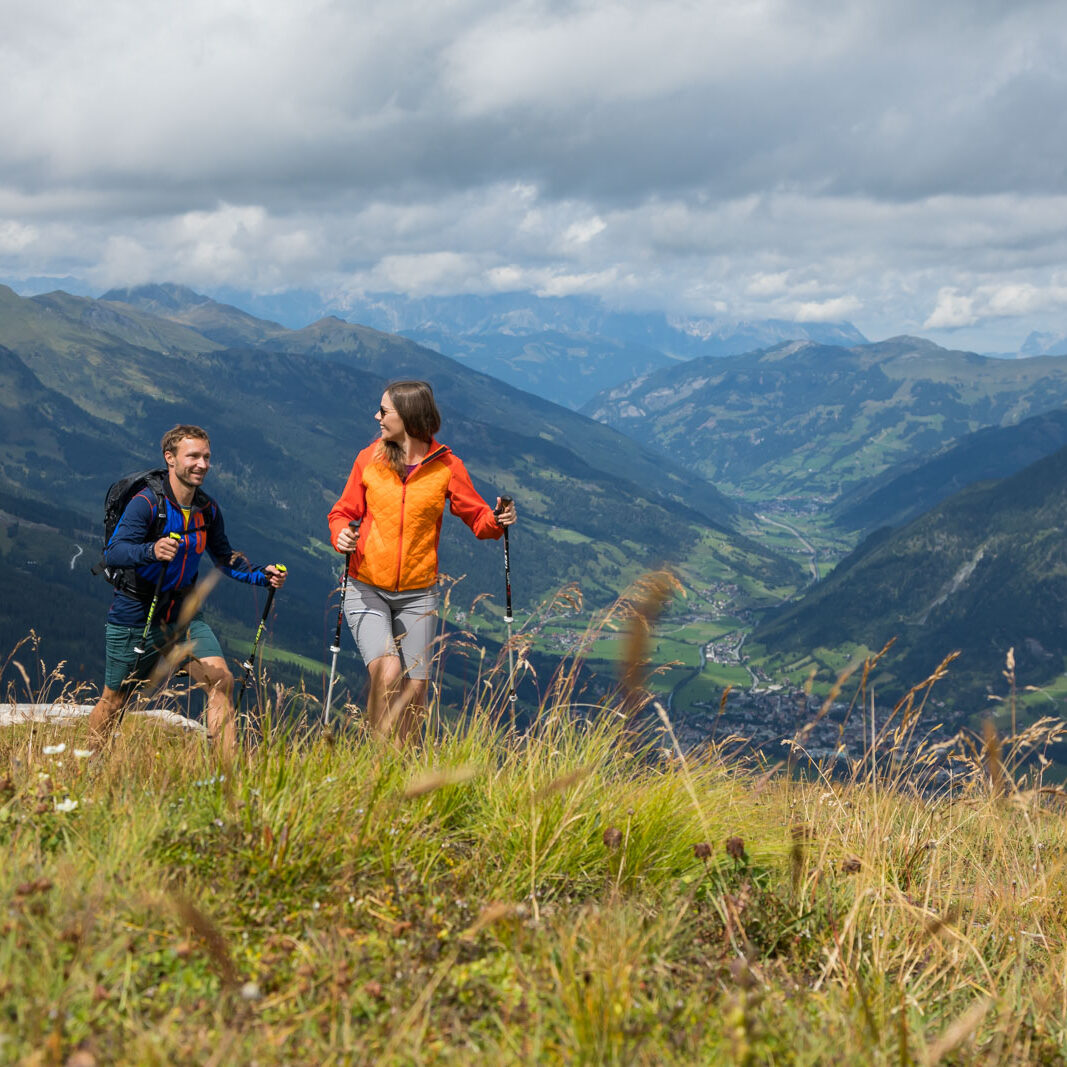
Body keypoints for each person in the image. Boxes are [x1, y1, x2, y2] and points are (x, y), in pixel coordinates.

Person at [327, 380, 517, 744]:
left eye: (384, 411)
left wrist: (498, 520)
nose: (376, 417)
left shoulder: (446, 466)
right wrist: (341, 535)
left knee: (416, 691)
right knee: (387, 672)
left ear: (409, 416)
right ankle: (378, 762)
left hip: (418, 594)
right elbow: (342, 512)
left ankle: (405, 765)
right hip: (365, 586)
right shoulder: (369, 458)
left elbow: (479, 519)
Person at [88, 425, 286, 757]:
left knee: (221, 681)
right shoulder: (146, 504)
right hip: (137, 612)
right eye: (193, 456)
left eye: (206, 457)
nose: (202, 464)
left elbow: (225, 558)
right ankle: (90, 765)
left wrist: (261, 576)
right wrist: (151, 551)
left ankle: (226, 775)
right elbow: (114, 552)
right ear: (170, 458)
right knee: (116, 699)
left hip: (184, 614)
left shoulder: (207, 509)